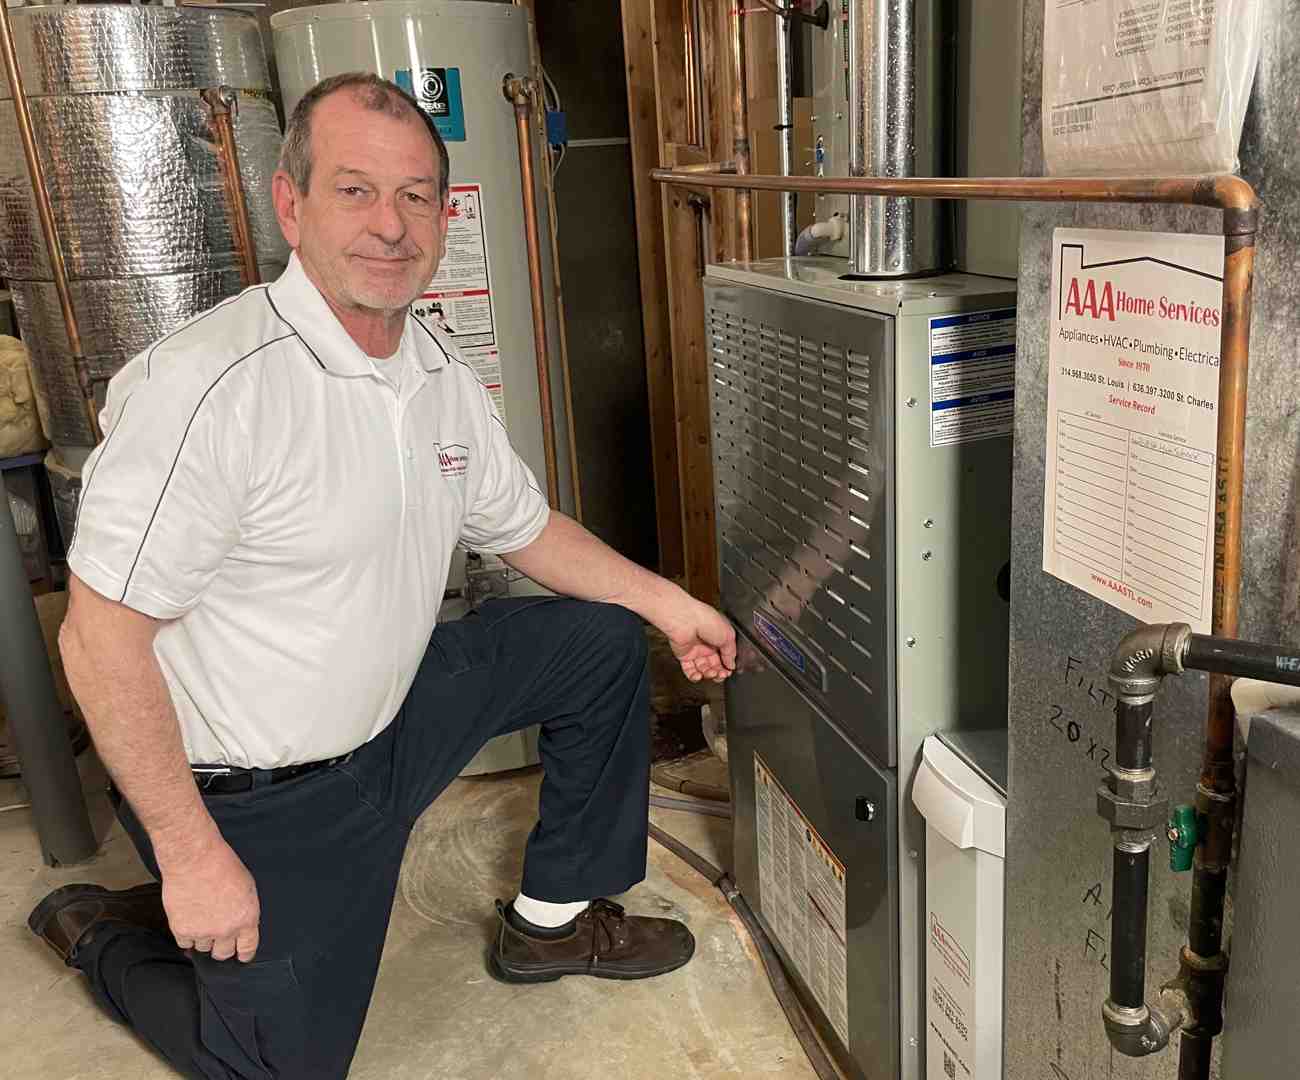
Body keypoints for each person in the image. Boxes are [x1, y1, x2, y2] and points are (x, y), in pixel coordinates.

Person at [27, 72, 736, 1080]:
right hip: (259, 794)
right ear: (291, 205)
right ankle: (103, 933)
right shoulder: (213, 389)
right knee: (278, 1068)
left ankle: (549, 920)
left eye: (415, 196)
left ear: (443, 216)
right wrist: (193, 860)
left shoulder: (434, 370)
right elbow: (96, 643)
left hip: (394, 713)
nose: (391, 226)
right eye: (354, 190)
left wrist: (672, 606)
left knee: (597, 639)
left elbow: (525, 527)